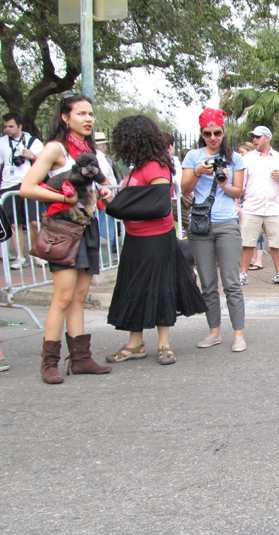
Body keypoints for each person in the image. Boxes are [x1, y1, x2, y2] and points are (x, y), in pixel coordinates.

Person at [20, 94, 113, 384]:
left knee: (80, 296)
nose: (88, 119)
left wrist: (105, 191)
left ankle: (81, 359)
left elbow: (100, 184)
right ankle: (49, 363)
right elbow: (27, 188)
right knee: (62, 296)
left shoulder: (88, 150)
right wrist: (63, 195)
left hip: (88, 227)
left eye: (90, 114)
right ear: (65, 117)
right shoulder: (54, 148)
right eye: (81, 113)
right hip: (63, 230)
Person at [105, 116, 206, 366]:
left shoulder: (156, 166)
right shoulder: (136, 168)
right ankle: (135, 343)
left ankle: (164, 345)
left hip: (156, 239)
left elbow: (160, 206)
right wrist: (116, 203)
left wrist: (118, 208)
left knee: (161, 290)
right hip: (135, 238)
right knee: (134, 289)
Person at [181, 108, 247, 352]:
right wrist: (198, 172)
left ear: (223, 131)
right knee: (208, 283)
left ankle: (238, 335)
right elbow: (185, 190)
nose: (212, 137)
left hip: (227, 223)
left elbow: (238, 192)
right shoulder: (193, 156)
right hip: (200, 226)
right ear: (202, 133)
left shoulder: (234, 158)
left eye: (217, 132)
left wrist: (224, 183)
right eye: (207, 133)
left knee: (231, 283)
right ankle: (214, 332)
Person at [237, 125, 279, 287]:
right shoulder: (247, 159)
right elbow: (241, 184)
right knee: (247, 242)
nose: (254, 140)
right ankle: (243, 274)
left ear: (267, 138)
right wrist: (236, 204)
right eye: (253, 137)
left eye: (258, 136)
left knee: (276, 243)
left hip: (274, 209)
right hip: (251, 208)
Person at [1, 111, 45, 269]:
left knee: (34, 221)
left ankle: (36, 253)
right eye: (5, 126)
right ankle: (19, 256)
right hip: (8, 185)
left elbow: (46, 163)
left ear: (20, 126)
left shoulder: (34, 142)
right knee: (14, 224)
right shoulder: (2, 142)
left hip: (30, 183)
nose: (7, 129)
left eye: (11, 126)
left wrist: (32, 156)